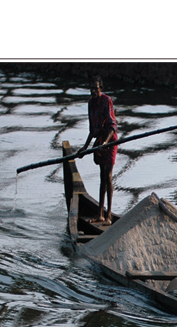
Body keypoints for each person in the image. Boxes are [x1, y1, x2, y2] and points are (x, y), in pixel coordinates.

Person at [77, 76, 118, 225]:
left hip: (110, 140)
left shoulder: (107, 101)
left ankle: (108, 217)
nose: (93, 90)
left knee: (108, 176)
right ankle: (100, 214)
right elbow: (92, 130)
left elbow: (113, 126)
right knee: (102, 176)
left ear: (101, 88)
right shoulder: (90, 103)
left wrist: (105, 143)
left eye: (96, 88)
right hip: (100, 141)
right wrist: (85, 147)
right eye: (91, 88)